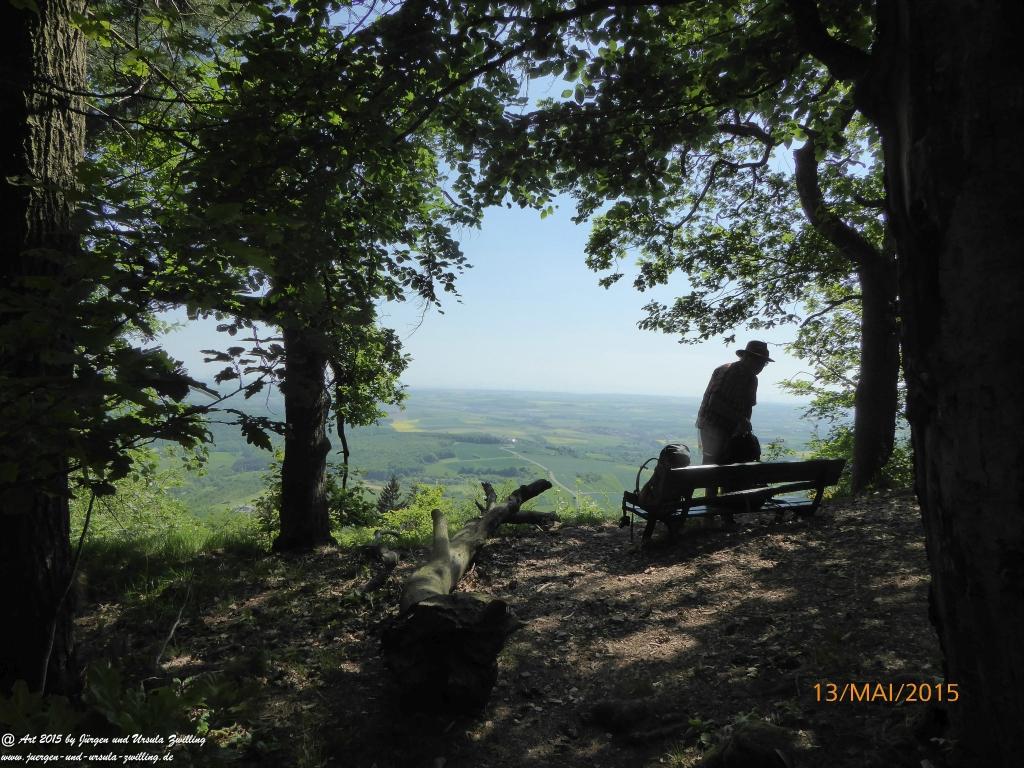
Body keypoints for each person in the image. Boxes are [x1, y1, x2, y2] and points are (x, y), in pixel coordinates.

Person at [695, 341, 773, 505]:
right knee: (713, 468)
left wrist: (743, 427)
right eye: (759, 361)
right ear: (747, 357)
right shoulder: (728, 371)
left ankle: (724, 508)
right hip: (713, 426)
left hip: (731, 429)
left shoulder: (752, 379)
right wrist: (741, 420)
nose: (761, 366)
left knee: (728, 467)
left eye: (763, 363)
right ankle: (711, 509)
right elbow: (714, 403)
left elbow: (748, 407)